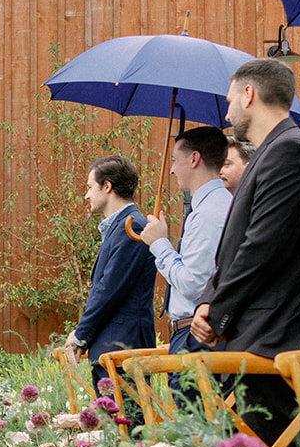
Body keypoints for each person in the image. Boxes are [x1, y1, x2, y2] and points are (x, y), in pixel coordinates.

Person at [192, 58, 300, 446]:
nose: (227, 111)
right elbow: (233, 247)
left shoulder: (292, 152)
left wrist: (217, 312)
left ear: (249, 94)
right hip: (255, 330)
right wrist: (206, 303)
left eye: (230, 100)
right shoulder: (269, 153)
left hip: (277, 331)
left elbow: (262, 247)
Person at [138, 127, 232, 355]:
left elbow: (193, 284)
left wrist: (159, 245)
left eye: (173, 160)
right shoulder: (216, 205)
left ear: (194, 159)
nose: (170, 170)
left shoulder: (209, 213)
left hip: (196, 338)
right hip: (194, 336)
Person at [64, 155, 156, 376]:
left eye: (89, 187)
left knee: (127, 412)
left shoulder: (132, 228)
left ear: (107, 186)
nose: (86, 195)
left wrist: (80, 336)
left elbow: (109, 290)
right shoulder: (121, 227)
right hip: (112, 348)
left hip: (124, 349)